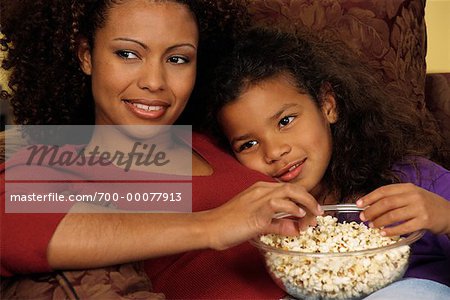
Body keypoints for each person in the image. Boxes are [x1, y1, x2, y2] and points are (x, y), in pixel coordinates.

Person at [0, 1, 324, 299]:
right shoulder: (54, 163)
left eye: (177, 59)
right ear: (86, 55)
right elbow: (13, 230)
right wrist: (214, 224)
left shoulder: (218, 140)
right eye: (128, 54)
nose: (155, 81)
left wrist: (370, 213)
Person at [209, 28, 450, 298]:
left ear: (327, 105)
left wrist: (445, 217)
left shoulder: (413, 176)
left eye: (285, 121)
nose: (275, 151)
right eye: (248, 144)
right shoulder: (266, 213)